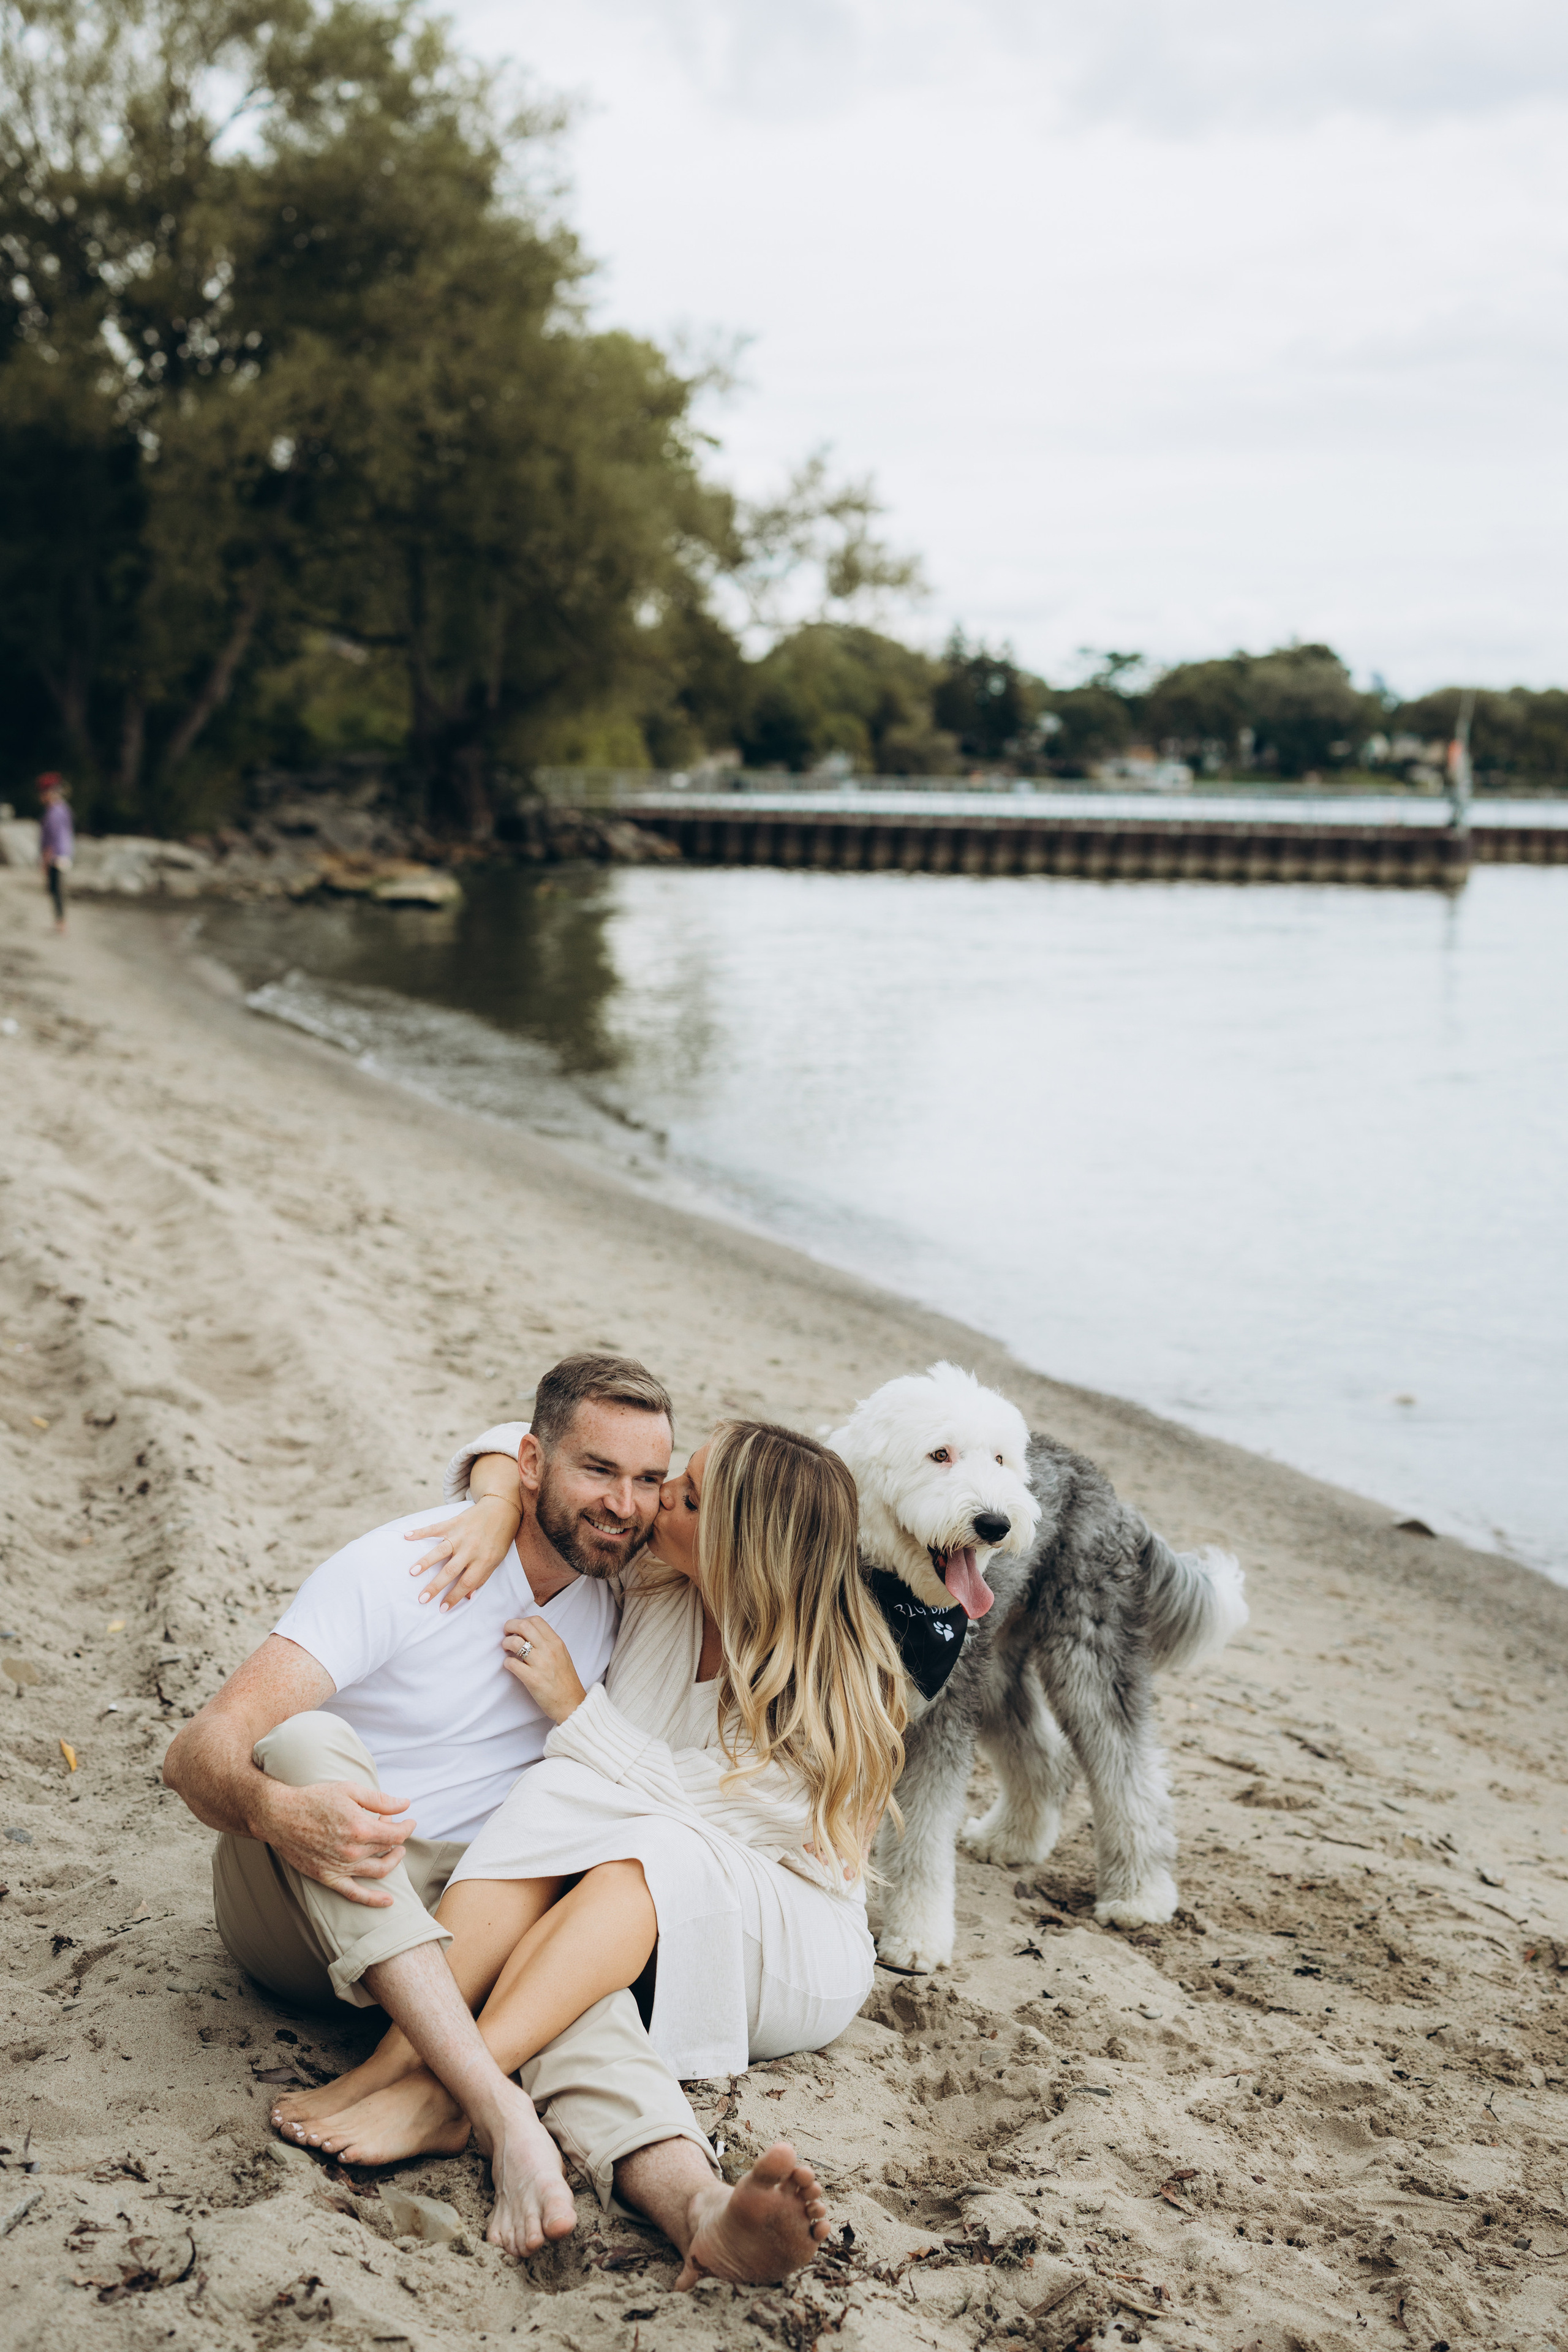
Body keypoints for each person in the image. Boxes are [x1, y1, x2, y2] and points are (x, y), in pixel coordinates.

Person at [165, 1354, 840, 2286]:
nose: (627, 1504)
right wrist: (280, 1813)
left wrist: (568, 1686)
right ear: (532, 1465)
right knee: (306, 1744)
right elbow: (197, 1751)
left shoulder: (627, 1581)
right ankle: (489, 2107)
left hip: (479, 1910)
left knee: (579, 1993)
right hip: (315, 1893)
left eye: (652, 1482)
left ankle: (700, 2208)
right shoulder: (411, 1566)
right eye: (597, 1472)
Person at [37, 772, 74, 932]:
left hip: (56, 856)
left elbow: (51, 840)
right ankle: (60, 921)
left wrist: (45, 861)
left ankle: (61, 923)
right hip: (64, 854)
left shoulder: (54, 812)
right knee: (57, 889)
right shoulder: (63, 808)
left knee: (56, 889)